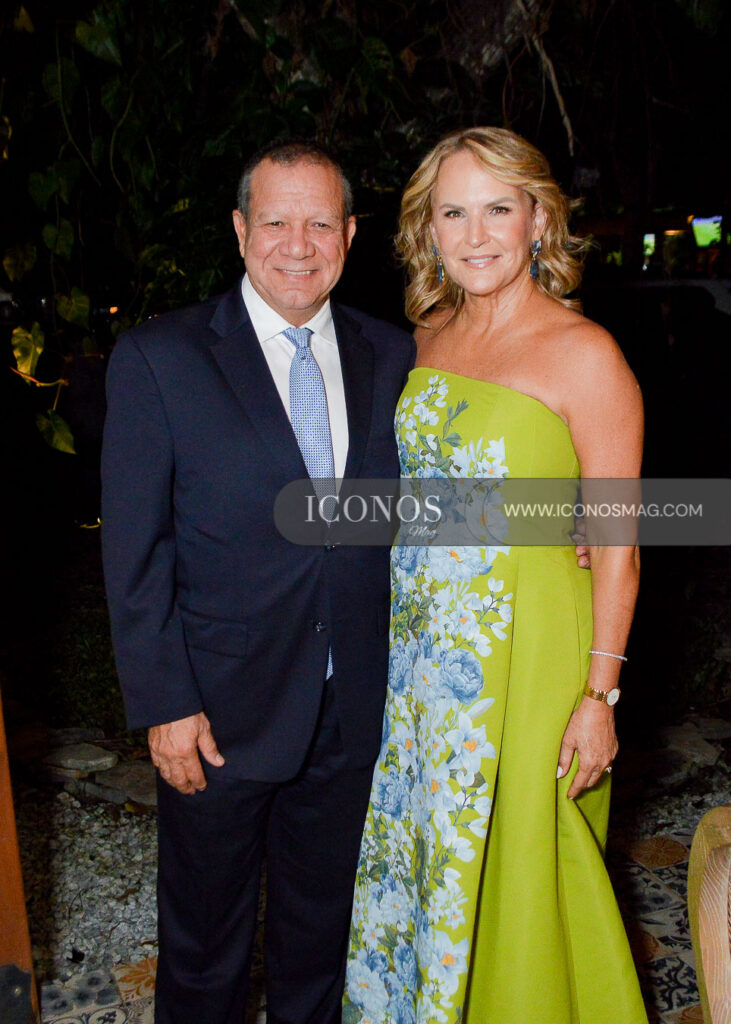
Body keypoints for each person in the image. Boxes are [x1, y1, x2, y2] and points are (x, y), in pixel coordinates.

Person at [101, 140, 415, 1024]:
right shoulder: (161, 358)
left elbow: (445, 497)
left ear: (350, 234)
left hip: (352, 709)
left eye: (320, 221)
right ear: (240, 231)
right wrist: (164, 702)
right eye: (275, 220)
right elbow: (135, 551)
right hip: (216, 717)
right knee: (206, 954)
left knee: (322, 946)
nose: (298, 243)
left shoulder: (394, 356)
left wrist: (575, 524)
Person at [344, 127, 648, 1023]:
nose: (475, 234)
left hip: (530, 652)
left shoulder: (584, 355)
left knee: (525, 851)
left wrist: (601, 696)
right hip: (424, 658)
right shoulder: (427, 336)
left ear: (538, 220)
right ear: (426, 230)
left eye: (497, 209)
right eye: (452, 212)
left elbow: (620, 541)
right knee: (430, 847)